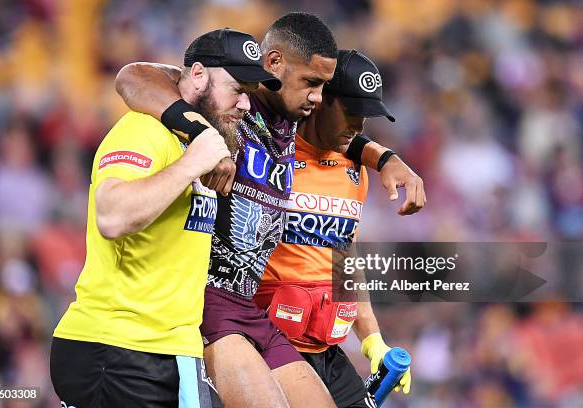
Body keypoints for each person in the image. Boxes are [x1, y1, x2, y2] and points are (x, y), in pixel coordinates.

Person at [115, 12, 425, 408]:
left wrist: (385, 158)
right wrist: (202, 134)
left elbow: (338, 134)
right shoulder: (230, 110)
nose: (316, 96)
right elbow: (133, 77)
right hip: (205, 301)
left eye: (323, 87)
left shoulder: (292, 125)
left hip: (250, 311)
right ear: (275, 64)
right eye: (311, 84)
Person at [50, 28, 280, 408]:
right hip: (117, 348)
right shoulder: (143, 130)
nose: (245, 105)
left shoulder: (200, 142)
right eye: (237, 89)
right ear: (199, 75)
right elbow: (111, 215)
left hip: (170, 350)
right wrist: (192, 163)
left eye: (250, 95)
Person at [254, 50, 416, 408]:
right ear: (319, 99)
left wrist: (373, 339)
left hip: (325, 348)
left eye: (364, 116)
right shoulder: (269, 150)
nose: (359, 126)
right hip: (267, 345)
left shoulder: (354, 170)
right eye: (351, 112)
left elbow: (344, 263)